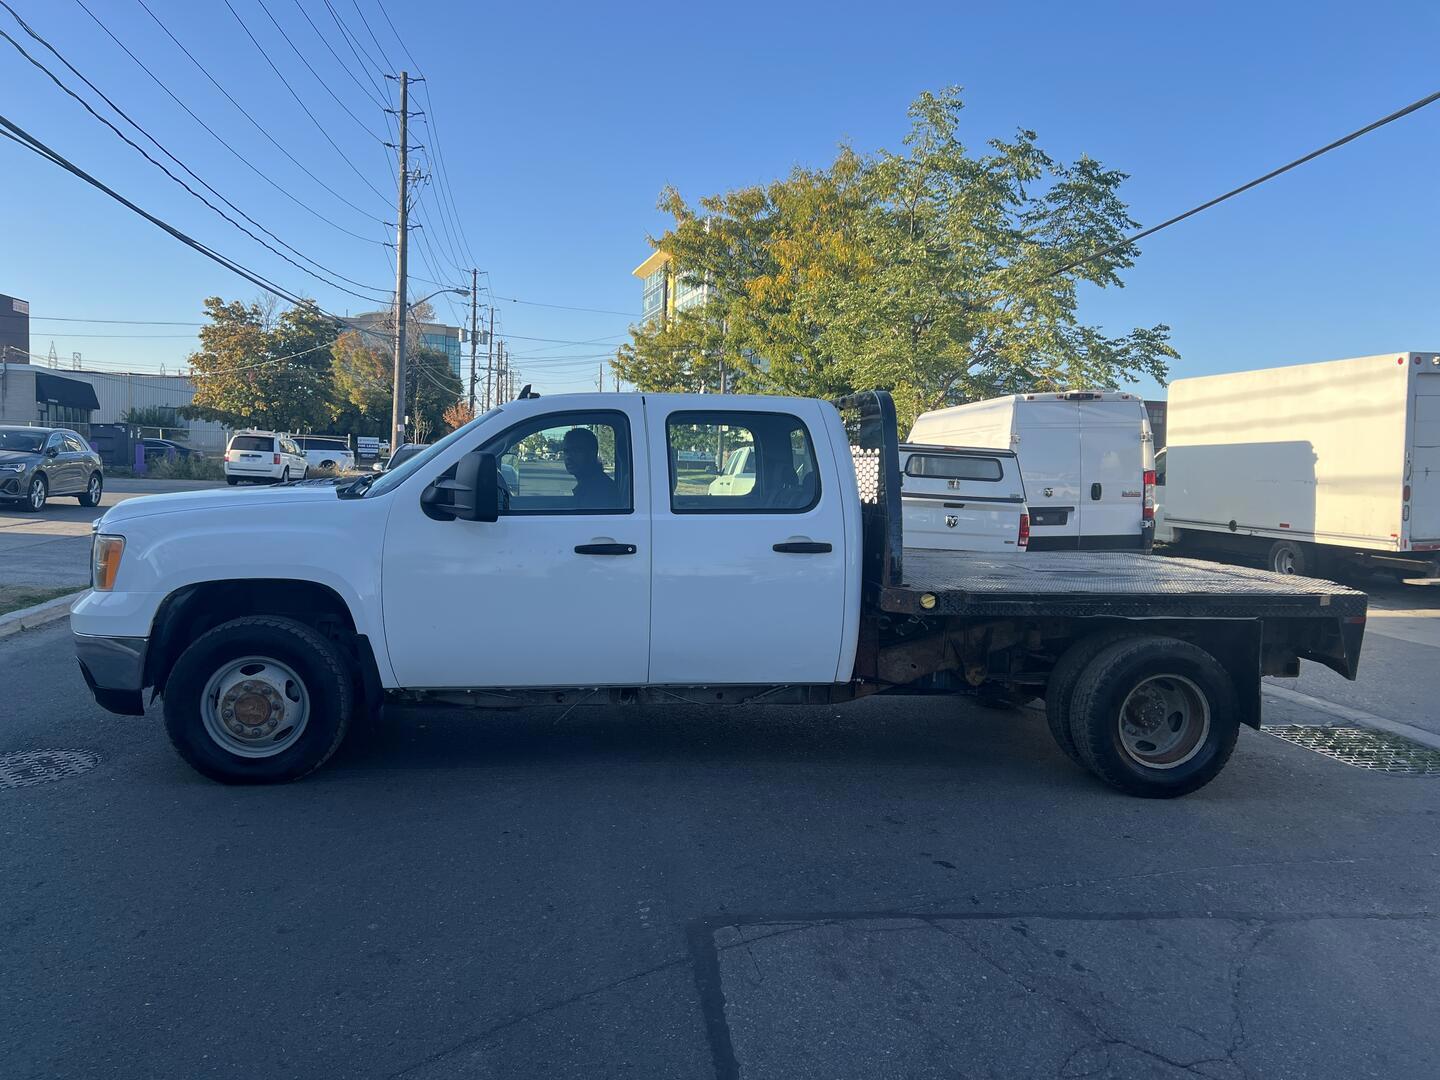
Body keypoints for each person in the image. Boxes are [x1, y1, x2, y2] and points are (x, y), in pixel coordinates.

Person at [562, 427, 620, 508]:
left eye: (576, 450)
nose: (568, 456)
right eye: (566, 451)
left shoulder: (599, 491)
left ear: (592, 453)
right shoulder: (588, 485)